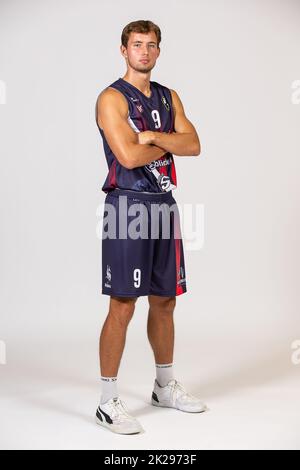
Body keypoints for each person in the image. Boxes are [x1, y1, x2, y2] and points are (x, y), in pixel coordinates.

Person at [95, 20, 207, 435]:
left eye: (152, 45)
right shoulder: (111, 98)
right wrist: (163, 141)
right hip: (126, 207)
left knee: (165, 301)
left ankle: (164, 386)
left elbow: (193, 144)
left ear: (158, 52)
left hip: (164, 205)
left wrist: (151, 137)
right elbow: (125, 156)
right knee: (123, 304)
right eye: (137, 44)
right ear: (123, 50)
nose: (145, 51)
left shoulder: (168, 95)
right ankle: (108, 402)